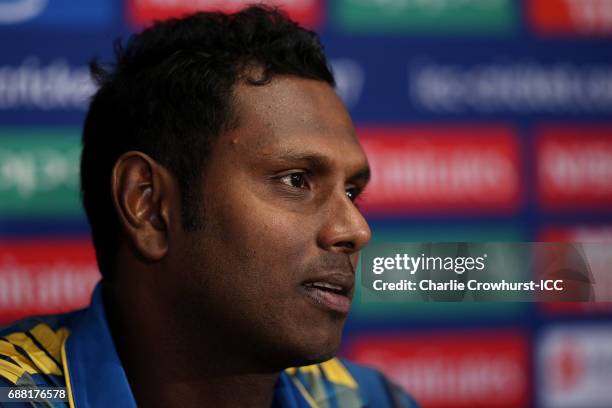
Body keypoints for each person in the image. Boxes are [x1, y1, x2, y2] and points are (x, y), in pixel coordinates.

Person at [0, 6, 418, 407]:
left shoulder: (371, 400)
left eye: (351, 193)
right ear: (148, 205)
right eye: (296, 180)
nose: (356, 229)